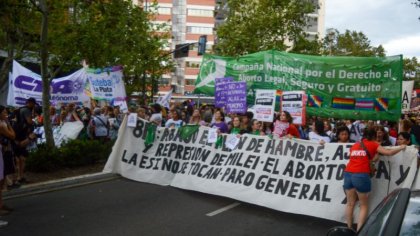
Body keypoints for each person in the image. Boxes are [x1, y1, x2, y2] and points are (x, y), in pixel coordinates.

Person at [343, 127, 406, 231]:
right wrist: (401, 147)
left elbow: (358, 158)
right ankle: (359, 231)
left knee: (350, 203)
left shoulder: (355, 145)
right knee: (363, 206)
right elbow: (389, 153)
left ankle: (348, 229)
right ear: (374, 136)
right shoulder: (374, 144)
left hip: (348, 174)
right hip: (361, 175)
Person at [0, 105, 16, 218]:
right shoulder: (1, 124)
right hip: (3, 152)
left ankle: (1, 204)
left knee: (2, 178)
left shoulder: (2, 122)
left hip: (5, 151)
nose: (6, 113)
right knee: (1, 180)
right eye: (4, 112)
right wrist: (9, 124)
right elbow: (12, 135)